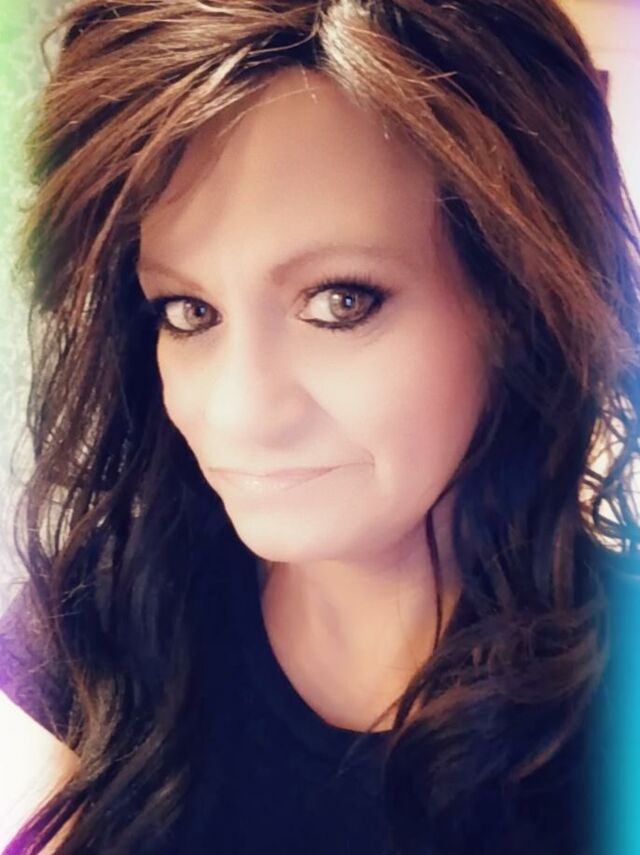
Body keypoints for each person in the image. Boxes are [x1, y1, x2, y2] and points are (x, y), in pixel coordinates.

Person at [1, 1, 639, 853]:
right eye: (188, 310)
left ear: (516, 307)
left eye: (341, 301)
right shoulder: (98, 615)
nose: (237, 412)